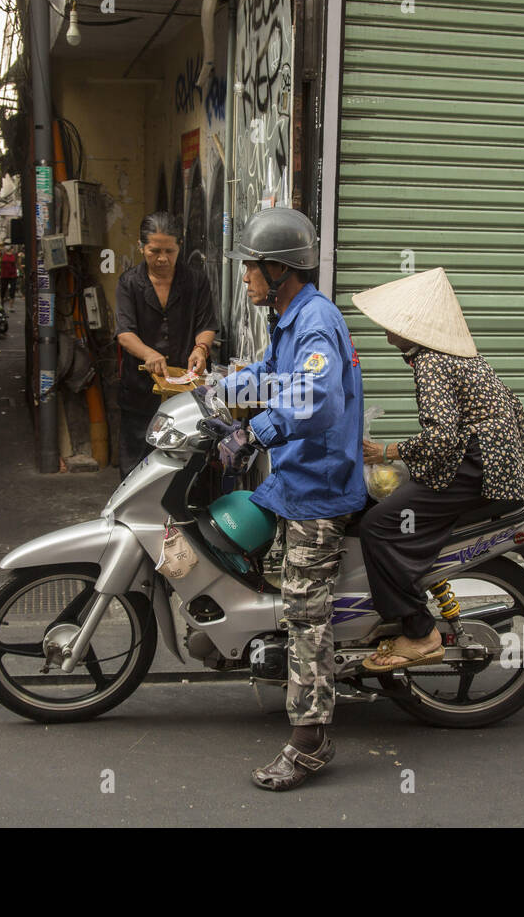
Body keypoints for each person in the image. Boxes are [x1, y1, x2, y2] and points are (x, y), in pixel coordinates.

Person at [210, 207, 366, 791]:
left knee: (304, 611)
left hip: (319, 489)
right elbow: (274, 378)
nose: (245, 276)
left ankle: (310, 740)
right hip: (294, 479)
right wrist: (214, 393)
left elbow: (318, 403)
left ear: (280, 269)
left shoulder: (316, 322)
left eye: (251, 266)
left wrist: (255, 431)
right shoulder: (290, 316)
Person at [351, 267, 524, 671]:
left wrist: (387, 451)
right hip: (488, 466)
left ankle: (419, 631)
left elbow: (442, 439)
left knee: (378, 526)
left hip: (476, 468)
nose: (385, 326)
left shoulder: (431, 362)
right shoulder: (457, 356)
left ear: (412, 326)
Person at [114, 212, 218, 476]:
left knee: (182, 463)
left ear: (179, 246)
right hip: (139, 391)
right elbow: (125, 333)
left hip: (184, 390)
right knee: (136, 462)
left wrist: (201, 348)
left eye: (169, 251)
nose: (162, 258)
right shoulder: (129, 283)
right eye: (154, 251)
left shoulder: (195, 280)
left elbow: (206, 325)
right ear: (141, 247)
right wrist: (148, 353)